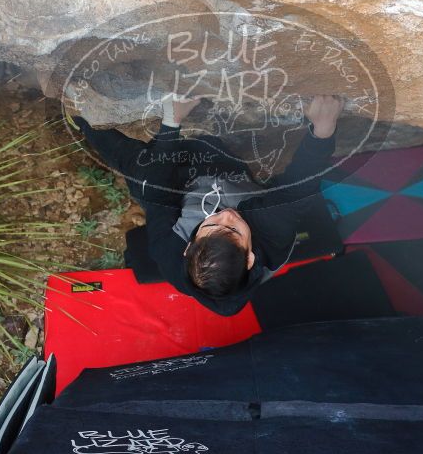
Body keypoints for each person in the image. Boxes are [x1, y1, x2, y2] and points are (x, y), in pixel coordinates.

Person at [67, 93, 344, 316]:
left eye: (212, 225)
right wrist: (323, 130)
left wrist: (171, 122)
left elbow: (156, 190)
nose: (225, 216)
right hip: (227, 170)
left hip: (178, 186)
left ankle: (79, 115)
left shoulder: (169, 251)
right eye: (233, 230)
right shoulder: (271, 234)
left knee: (136, 168)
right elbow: (299, 184)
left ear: (188, 247)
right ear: (250, 258)